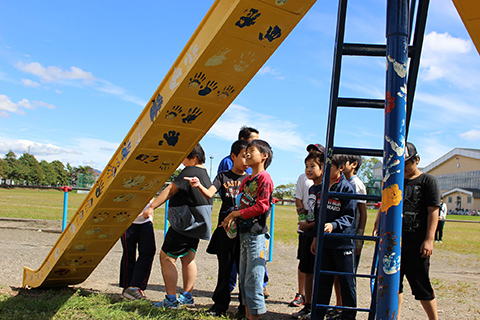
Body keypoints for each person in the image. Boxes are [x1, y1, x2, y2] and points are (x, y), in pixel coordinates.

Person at [375, 142, 440, 320]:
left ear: (416, 160)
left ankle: (433, 318)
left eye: (407, 162)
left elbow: (433, 210)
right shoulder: (394, 180)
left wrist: (429, 239)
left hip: (416, 242)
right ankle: (395, 316)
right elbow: (385, 204)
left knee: (421, 284)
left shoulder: (427, 181)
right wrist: (378, 223)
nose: (403, 167)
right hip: (394, 241)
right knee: (394, 283)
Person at [185, 140, 250, 316]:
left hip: (244, 232)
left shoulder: (250, 179)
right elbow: (209, 193)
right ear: (233, 156)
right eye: (244, 156)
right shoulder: (223, 176)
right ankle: (220, 306)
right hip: (224, 230)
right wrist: (198, 185)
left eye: (249, 157)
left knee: (244, 271)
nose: (246, 161)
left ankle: (244, 308)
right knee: (225, 269)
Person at [148, 143, 213, 308]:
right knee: (188, 258)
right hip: (197, 225)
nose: (182, 162)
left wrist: (151, 207)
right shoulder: (204, 174)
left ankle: (171, 300)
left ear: (194, 157)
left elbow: (170, 190)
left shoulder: (190, 171)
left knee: (166, 257)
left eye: (184, 157)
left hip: (183, 225)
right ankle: (187, 296)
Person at [221, 139, 274, 320]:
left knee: (253, 280)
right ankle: (247, 315)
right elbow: (241, 205)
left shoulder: (264, 178)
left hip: (256, 235)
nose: (248, 154)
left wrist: (236, 215)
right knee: (244, 280)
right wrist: (231, 216)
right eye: (246, 151)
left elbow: (262, 206)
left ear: (264, 156)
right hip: (244, 235)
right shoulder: (248, 180)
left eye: (252, 151)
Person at [311, 154, 357, 320]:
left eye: (329, 166)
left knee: (346, 282)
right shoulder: (320, 188)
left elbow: (350, 216)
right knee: (323, 281)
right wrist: (316, 237)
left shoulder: (347, 188)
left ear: (340, 168)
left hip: (342, 243)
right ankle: (318, 314)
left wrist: (333, 225)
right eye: (324, 166)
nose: (325, 169)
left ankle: (349, 315)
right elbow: (318, 215)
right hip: (324, 242)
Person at [289, 144, 324, 309]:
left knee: (319, 269)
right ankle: (305, 299)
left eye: (314, 162)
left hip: (316, 231)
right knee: (305, 265)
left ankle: (317, 304)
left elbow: (324, 216)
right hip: (306, 229)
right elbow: (299, 200)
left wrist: (309, 225)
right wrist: (302, 218)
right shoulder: (305, 180)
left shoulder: (325, 186)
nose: (309, 168)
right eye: (307, 164)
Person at [119, 199, 156, 300]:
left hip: (145, 220)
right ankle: (127, 287)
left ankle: (135, 286)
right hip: (127, 219)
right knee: (128, 253)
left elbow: (151, 196)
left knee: (149, 251)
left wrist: (151, 215)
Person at [343, 154, 367, 270]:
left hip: (353, 232)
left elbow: (362, 212)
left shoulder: (355, 184)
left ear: (354, 165)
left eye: (344, 162)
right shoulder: (345, 182)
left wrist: (359, 237)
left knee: (349, 270)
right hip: (347, 231)